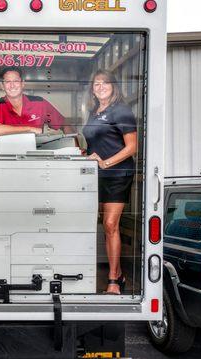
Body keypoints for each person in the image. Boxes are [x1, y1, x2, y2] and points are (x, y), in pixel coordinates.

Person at [82, 69, 138, 295]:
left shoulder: (122, 110)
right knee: (100, 226)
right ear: (92, 89)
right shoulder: (95, 112)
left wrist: (105, 163)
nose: (101, 86)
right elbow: (95, 144)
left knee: (110, 225)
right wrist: (85, 155)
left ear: (113, 86)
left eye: (105, 83)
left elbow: (132, 147)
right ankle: (120, 272)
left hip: (117, 175)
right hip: (97, 176)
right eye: (96, 83)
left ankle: (114, 280)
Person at [0, 66, 75, 148]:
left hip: (36, 158)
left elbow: (65, 124)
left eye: (16, 81)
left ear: (23, 84)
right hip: (6, 159)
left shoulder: (39, 103)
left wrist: (75, 149)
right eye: (8, 82)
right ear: (2, 86)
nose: (12, 85)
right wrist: (30, 129)